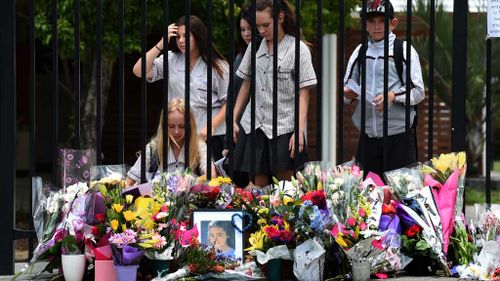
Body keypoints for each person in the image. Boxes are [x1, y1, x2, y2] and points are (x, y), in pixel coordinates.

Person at [232, 0, 317, 188]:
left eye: (265, 25)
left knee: (285, 191)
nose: (261, 31)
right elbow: (246, 83)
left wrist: (299, 129)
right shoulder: (255, 47)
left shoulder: (298, 50)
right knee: (259, 191)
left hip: (283, 127)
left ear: (280, 17)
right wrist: (234, 117)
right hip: (254, 127)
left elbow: (304, 93)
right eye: (258, 26)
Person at [343, 0, 425, 177]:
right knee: (369, 198)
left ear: (393, 23)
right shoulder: (360, 51)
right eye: (372, 21)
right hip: (368, 139)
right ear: (365, 25)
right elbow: (347, 88)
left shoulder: (403, 50)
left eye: (382, 21)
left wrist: (392, 96)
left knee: (400, 197)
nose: (377, 26)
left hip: (399, 138)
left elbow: (418, 90)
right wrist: (349, 94)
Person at [132, 15, 229, 161]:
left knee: (211, 181)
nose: (181, 41)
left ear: (198, 36)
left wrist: (210, 127)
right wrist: (161, 44)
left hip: (212, 136)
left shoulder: (218, 66)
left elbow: (229, 103)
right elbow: (138, 70)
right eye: (177, 37)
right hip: (179, 135)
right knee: (180, 181)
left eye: (186, 36)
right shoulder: (171, 59)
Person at [223, 4, 262, 187]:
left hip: (260, 131)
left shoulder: (265, 55)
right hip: (239, 131)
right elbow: (232, 98)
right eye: (242, 29)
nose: (246, 34)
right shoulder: (240, 57)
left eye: (250, 29)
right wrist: (227, 139)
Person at [126, 98, 208, 185]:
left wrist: (191, 183)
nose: (176, 131)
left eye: (182, 126)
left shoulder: (199, 146)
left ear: (190, 126)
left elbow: (211, 175)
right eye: (172, 126)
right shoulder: (152, 148)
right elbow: (129, 182)